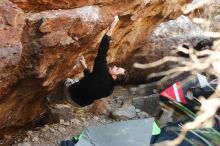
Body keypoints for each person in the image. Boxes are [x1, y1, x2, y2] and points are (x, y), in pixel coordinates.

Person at [64, 16, 129, 107]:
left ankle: (58, 97)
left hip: (70, 96)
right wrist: (84, 66)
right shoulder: (109, 90)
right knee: (85, 85)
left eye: (117, 69)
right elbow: (93, 80)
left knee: (68, 80)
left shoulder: (103, 72)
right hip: (80, 104)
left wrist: (113, 25)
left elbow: (103, 51)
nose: (115, 66)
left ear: (114, 77)